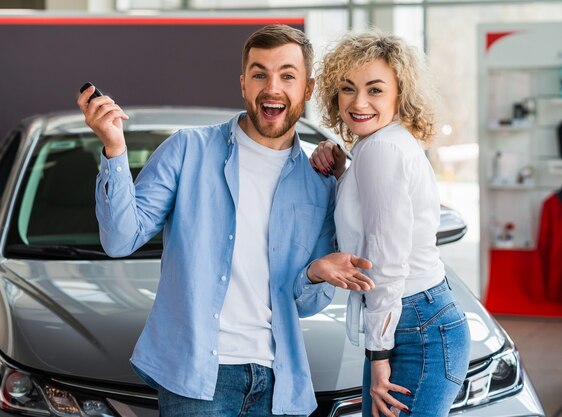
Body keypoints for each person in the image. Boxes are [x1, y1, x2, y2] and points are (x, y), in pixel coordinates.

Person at [77, 24, 375, 417]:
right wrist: (114, 149)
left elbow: (308, 304)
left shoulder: (318, 183)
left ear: (307, 88)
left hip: (279, 383)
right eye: (259, 74)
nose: (272, 87)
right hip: (198, 381)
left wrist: (316, 273)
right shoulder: (187, 149)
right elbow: (120, 239)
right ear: (243, 84)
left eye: (287, 75)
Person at [310, 32, 471, 417]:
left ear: (400, 93)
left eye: (375, 90)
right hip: (418, 318)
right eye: (348, 89)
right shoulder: (377, 144)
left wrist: (379, 353)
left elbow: (384, 260)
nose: (358, 102)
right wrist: (341, 170)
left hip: (417, 329)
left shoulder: (382, 148)